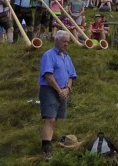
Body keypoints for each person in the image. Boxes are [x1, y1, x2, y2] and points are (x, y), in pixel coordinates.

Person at [38, 30, 76, 160]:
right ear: (57, 41)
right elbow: (48, 75)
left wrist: (67, 89)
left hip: (63, 91)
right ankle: (46, 149)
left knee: (57, 119)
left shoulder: (67, 56)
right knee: (50, 118)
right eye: (64, 41)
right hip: (49, 90)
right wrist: (59, 89)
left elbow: (72, 75)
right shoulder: (48, 55)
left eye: (68, 42)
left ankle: (51, 141)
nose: (66, 44)